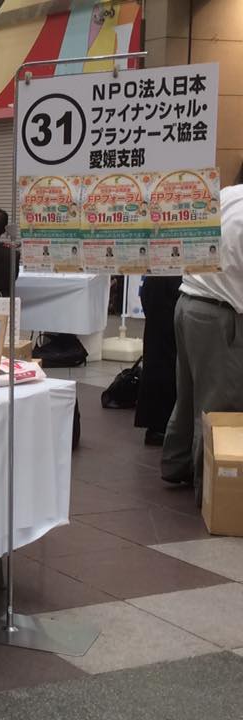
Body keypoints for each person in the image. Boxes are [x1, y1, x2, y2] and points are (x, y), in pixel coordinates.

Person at [162, 183, 243, 503]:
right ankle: (211, 490)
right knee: (219, 404)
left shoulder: (228, 194)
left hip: (188, 301)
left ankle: (176, 462)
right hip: (219, 313)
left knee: (188, 393)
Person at [135, 276, 182, 446]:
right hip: (167, 283)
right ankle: (161, 425)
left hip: (160, 281)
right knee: (165, 355)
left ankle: (158, 424)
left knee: (159, 351)